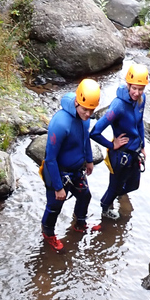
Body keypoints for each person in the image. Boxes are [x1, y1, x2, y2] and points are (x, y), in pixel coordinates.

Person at [40, 79, 101, 250]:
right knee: (54, 206)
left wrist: (89, 160)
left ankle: (79, 223)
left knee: (85, 196)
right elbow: (50, 158)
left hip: (76, 170)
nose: (88, 114)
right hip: (57, 172)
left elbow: (85, 138)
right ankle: (48, 233)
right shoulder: (60, 123)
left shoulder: (85, 117)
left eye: (92, 110)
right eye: (85, 109)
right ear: (76, 102)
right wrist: (58, 187)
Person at [90, 64, 149, 220]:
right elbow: (95, 132)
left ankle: (117, 195)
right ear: (128, 85)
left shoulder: (141, 100)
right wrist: (112, 144)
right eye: (134, 88)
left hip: (134, 152)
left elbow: (140, 122)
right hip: (121, 156)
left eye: (140, 89)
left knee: (133, 185)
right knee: (114, 187)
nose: (137, 93)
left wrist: (142, 146)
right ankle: (105, 209)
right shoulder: (118, 106)